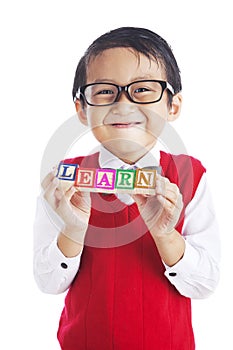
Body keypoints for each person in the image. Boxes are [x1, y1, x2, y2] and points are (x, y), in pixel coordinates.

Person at [33, 27, 220, 350]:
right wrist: (73, 230)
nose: (123, 104)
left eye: (143, 90)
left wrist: (166, 235)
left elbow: (204, 284)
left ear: (173, 106)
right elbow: (48, 282)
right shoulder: (63, 184)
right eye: (105, 91)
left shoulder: (191, 175)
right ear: (82, 108)